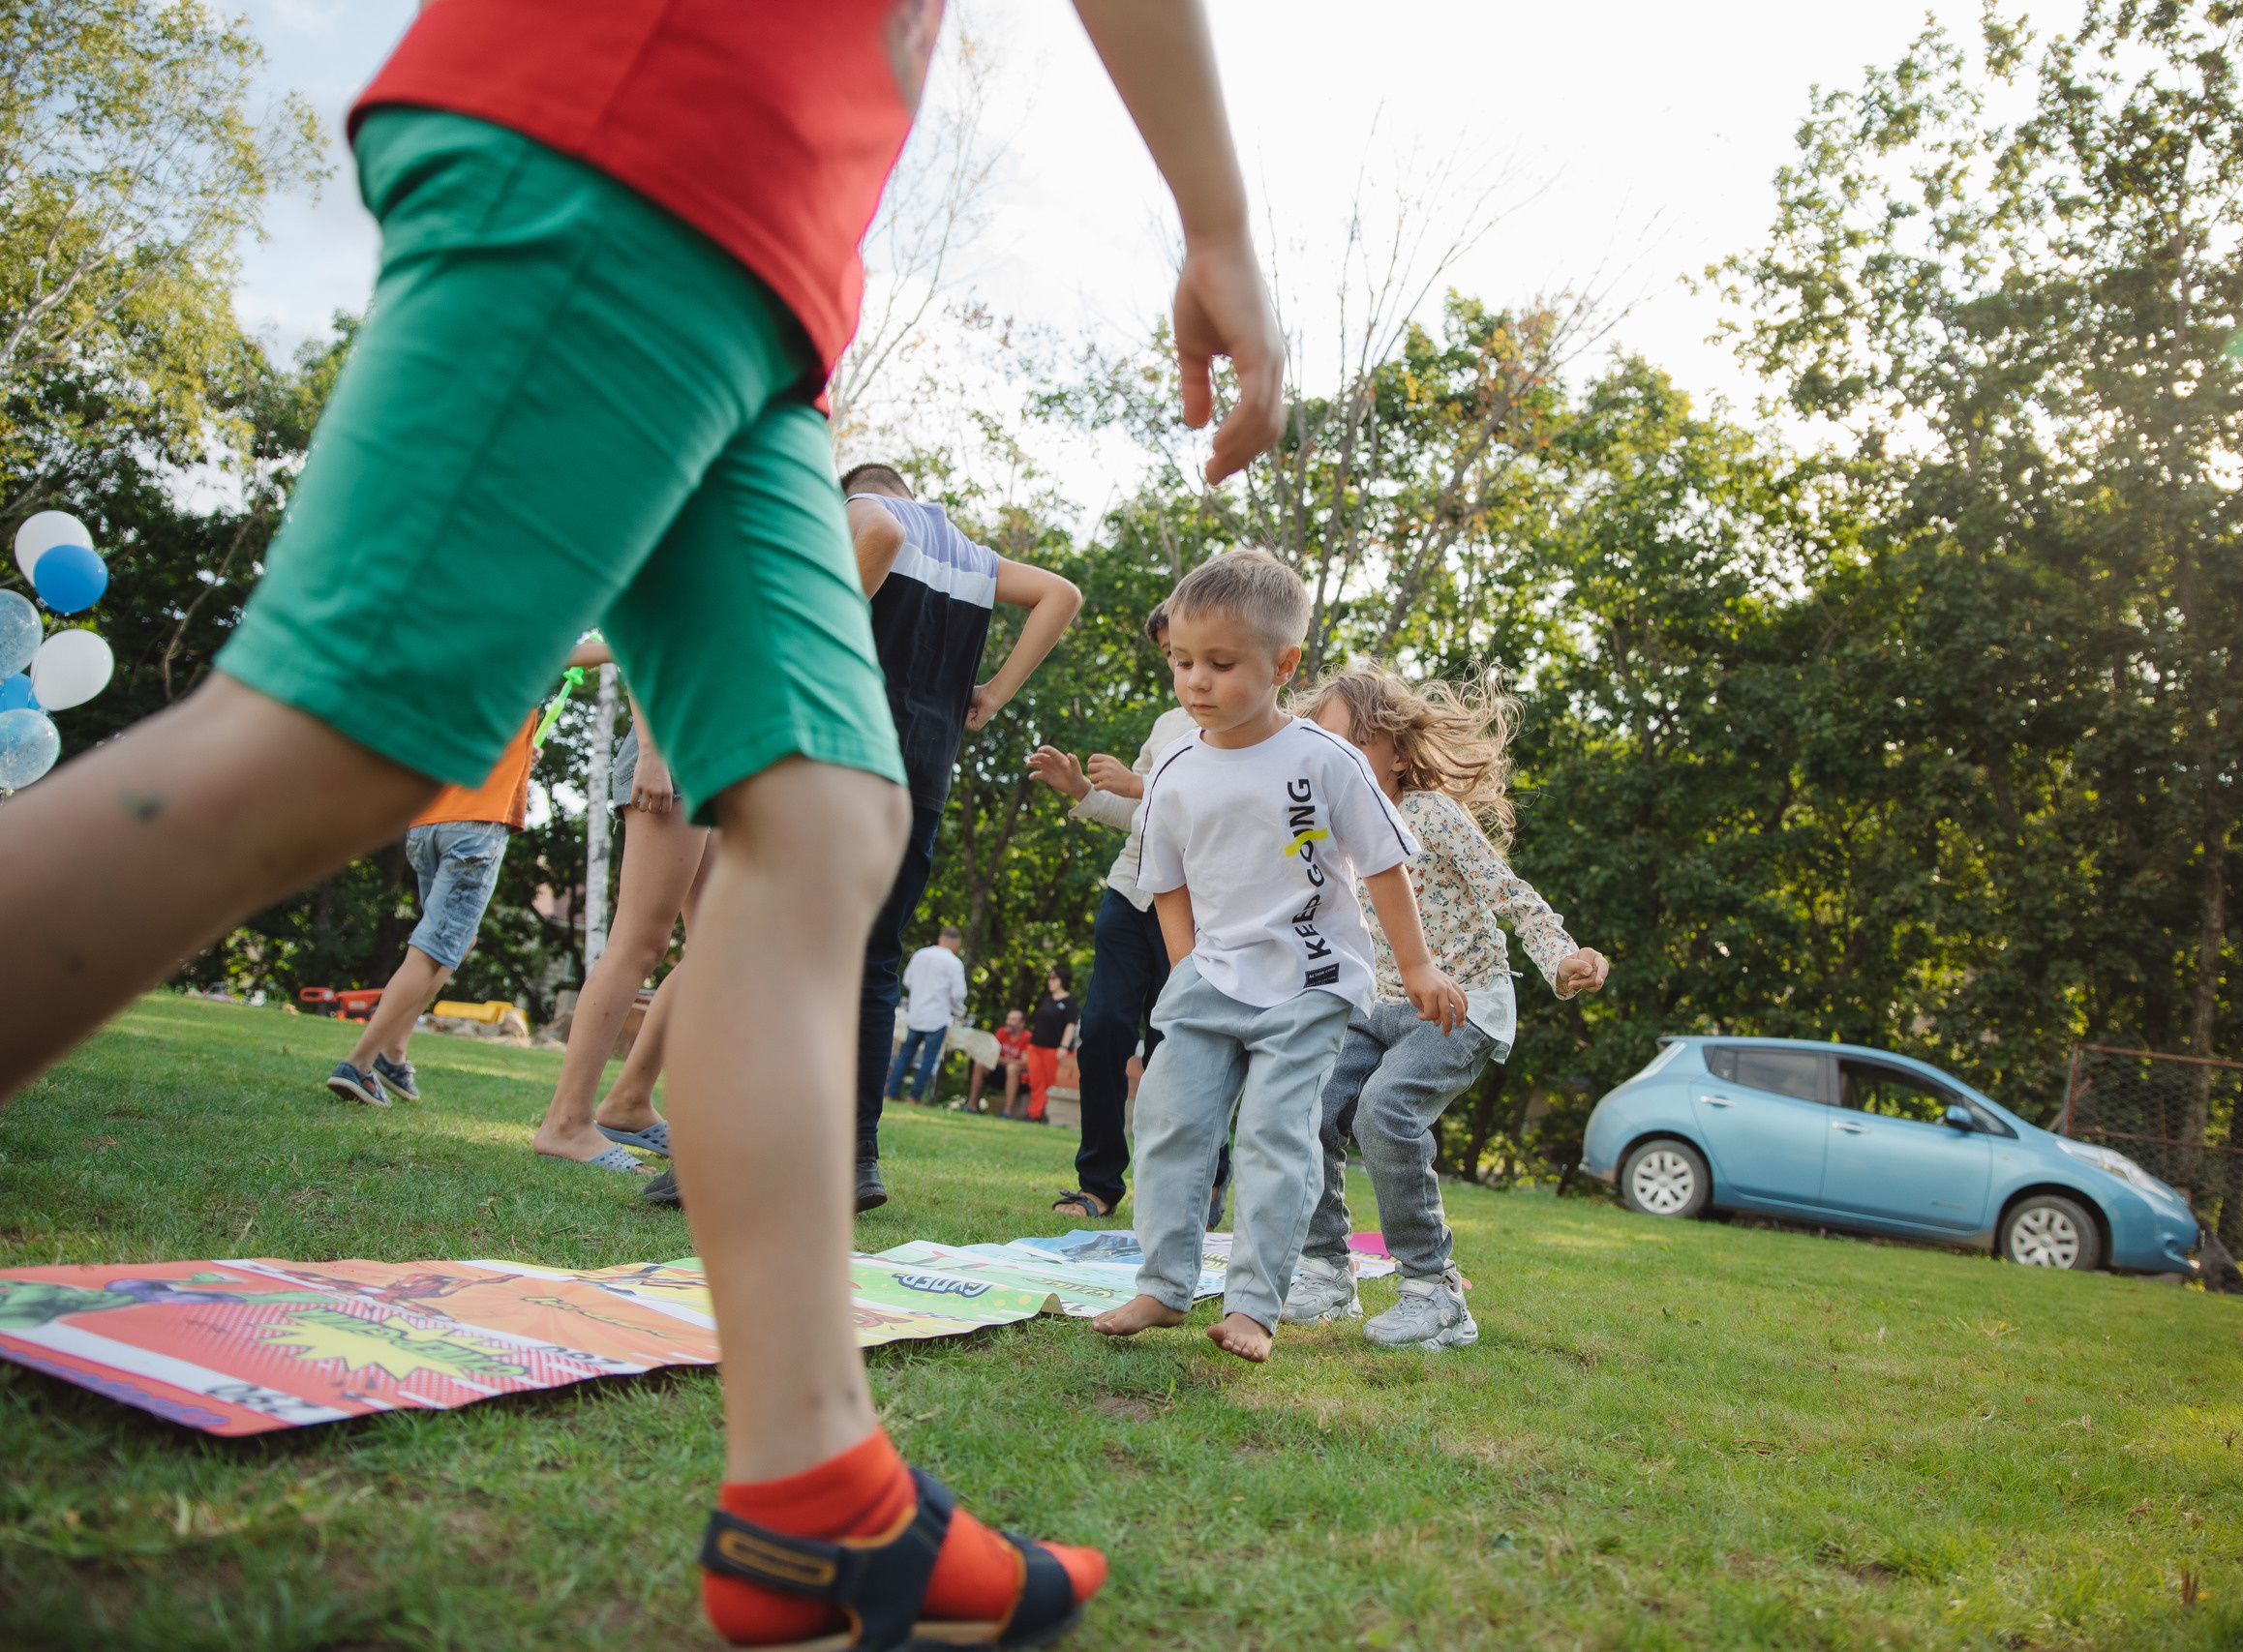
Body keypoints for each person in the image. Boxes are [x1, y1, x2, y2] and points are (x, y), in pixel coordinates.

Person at [0, 3, 1284, 1645]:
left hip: (761, 277)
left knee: (826, 816)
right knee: (339, 738)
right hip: (645, 140)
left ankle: (820, 1500)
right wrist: (1221, 222)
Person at [1088, 552, 1465, 1365]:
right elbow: (1167, 880)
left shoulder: (1326, 761)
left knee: (1273, 1133)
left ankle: (1255, 1305)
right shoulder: (1174, 771)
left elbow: (1386, 866)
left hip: (1313, 981)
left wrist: (1422, 967)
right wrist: (1188, 967)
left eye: (1220, 665)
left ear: (1281, 663)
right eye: (1182, 662)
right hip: (1210, 979)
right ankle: (1163, 1284)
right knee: (1168, 1121)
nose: (1196, 682)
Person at [1279, 667, 1611, 1349]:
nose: (1332, 761)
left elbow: (1510, 892)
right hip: (1372, 1007)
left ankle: (1435, 1291)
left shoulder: (1431, 814)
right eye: (1320, 746)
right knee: (1304, 1101)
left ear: (1397, 754)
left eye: (1352, 744)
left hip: (1461, 1006)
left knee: (1385, 1109)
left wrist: (1562, 957)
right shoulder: (1323, 832)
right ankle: (1324, 1268)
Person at [843, 466, 1082, 1210]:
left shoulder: (866, 512)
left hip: (842, 757)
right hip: (922, 775)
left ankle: (723, 1151)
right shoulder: (973, 556)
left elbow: (877, 530)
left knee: (779, 949)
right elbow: (1062, 594)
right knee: (874, 964)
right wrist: (996, 692)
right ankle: (855, 1158)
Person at [325, 637, 611, 1114]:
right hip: (474, 828)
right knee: (434, 947)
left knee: (455, 941)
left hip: (428, 824)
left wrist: (520, 754)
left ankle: (395, 1054)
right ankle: (359, 1063)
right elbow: (604, 646)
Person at [1028, 602, 1194, 1215]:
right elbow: (1135, 813)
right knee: (1100, 1035)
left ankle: (1199, 1182)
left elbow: (1221, 807)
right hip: (1131, 891)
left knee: (1182, 1044)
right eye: (1172, 658)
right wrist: (1084, 793)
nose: (1182, 668)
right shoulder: (1168, 723)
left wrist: (1140, 784)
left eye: (1190, 651)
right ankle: (1098, 1183)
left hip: (1200, 913)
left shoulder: (1251, 728)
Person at [529, 688, 714, 1170]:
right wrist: (652, 754)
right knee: (640, 943)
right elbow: (644, 634)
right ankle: (565, 1124)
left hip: (722, 755)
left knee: (716, 951)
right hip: (674, 745)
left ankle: (629, 1103)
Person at [888, 923, 968, 1102]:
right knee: (929, 1058)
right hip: (937, 1017)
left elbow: (907, 981)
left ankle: (892, 1092)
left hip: (916, 1013)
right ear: (956, 943)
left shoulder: (921, 954)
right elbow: (959, 994)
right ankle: (915, 1096)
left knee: (906, 1053)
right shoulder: (954, 963)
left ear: (940, 938)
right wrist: (958, 1008)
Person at [1015, 966, 1079, 1123]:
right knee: (1036, 1082)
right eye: (1049, 978)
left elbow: (1070, 1025)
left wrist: (1063, 1047)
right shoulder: (1047, 1000)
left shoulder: (1069, 1002)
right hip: (1036, 1046)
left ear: (1062, 981)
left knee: (1051, 1082)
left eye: (1053, 978)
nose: (1050, 981)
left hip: (1054, 1049)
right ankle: (1034, 1113)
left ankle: (1049, 1115)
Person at [969, 1006, 1030, 1113]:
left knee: (1012, 1068)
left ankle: (1007, 1112)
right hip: (998, 1071)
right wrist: (998, 1060)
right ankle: (971, 1106)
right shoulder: (1002, 1032)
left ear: (1022, 1024)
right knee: (979, 1064)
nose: (1008, 1022)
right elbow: (991, 1055)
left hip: (1018, 1077)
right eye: (1008, 1019)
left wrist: (1000, 1060)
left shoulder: (1027, 1037)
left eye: (1013, 1020)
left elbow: (1025, 1063)